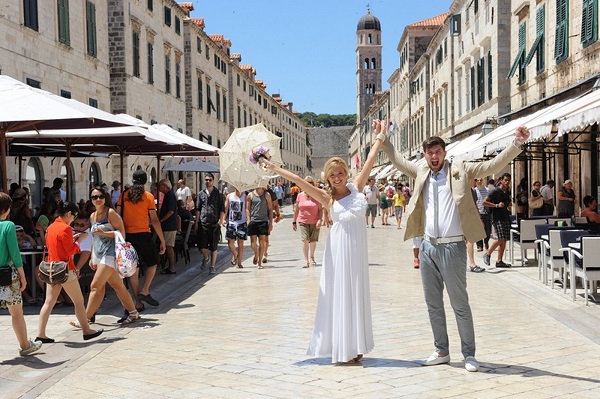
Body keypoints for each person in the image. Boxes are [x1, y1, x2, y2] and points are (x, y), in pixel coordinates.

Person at [376, 118, 530, 372]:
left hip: (453, 246)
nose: (434, 156)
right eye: (429, 153)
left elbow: (493, 164)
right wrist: (383, 138)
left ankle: (469, 354)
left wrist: (516, 143)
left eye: (437, 152)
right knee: (433, 304)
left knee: (460, 303)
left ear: (444, 153)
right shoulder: (421, 172)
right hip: (427, 247)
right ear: (425, 156)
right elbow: (398, 160)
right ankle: (441, 350)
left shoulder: (460, 169)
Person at [262, 124, 384, 365]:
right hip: (338, 253)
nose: (337, 177)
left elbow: (370, 157)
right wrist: (275, 168)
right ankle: (343, 348)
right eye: (332, 175)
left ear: (346, 173)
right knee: (341, 296)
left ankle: (356, 345)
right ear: (327, 177)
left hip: (357, 253)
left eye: (340, 173)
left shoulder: (356, 188)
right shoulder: (326, 198)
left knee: (356, 295)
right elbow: (297, 179)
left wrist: (380, 135)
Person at [36, 202, 103, 343]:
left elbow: (56, 245)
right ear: (68, 214)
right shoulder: (66, 228)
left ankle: (40, 334)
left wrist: (72, 239)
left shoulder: (51, 227)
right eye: (73, 216)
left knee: (48, 302)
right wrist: (79, 241)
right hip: (65, 269)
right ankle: (86, 330)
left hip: (51, 269)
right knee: (79, 301)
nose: (73, 219)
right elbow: (71, 250)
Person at [77, 187, 141, 325]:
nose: (98, 199)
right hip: (100, 254)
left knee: (95, 286)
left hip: (112, 253)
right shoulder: (92, 216)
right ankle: (133, 313)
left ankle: (85, 319)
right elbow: (94, 237)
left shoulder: (110, 213)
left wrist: (104, 233)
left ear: (105, 197)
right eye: (94, 197)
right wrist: (92, 257)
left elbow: (121, 234)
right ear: (91, 199)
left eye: (100, 196)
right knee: (117, 286)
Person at [116, 170, 166, 311]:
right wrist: (162, 240)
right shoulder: (148, 196)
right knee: (153, 262)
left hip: (128, 236)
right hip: (143, 234)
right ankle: (145, 290)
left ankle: (138, 303)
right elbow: (155, 220)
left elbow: (118, 217)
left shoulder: (124, 195)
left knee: (134, 269)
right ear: (145, 181)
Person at [0, 192, 43, 356]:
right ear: (6, 209)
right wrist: (23, 277)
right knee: (16, 312)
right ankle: (25, 345)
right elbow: (15, 254)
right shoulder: (8, 226)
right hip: (6, 275)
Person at [194, 172, 225, 275]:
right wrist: (197, 222)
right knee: (202, 245)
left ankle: (212, 266)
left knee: (214, 246)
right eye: (206, 180)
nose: (208, 181)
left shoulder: (218, 193)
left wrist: (220, 221)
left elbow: (222, 208)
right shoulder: (201, 194)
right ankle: (206, 257)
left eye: (210, 180)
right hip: (203, 222)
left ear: (213, 181)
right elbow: (198, 208)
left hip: (214, 223)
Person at [482, 173, 513, 268]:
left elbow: (506, 202)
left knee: (504, 240)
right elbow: (484, 202)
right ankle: (487, 254)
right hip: (497, 217)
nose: (507, 182)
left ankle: (499, 261)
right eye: (505, 180)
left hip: (505, 216)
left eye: (508, 180)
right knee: (501, 238)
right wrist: (496, 205)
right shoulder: (495, 191)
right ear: (501, 180)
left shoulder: (507, 190)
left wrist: (508, 204)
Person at [293, 176, 323, 268]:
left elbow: (320, 210)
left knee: (313, 241)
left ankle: (312, 257)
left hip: (314, 221)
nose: (308, 186)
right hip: (303, 221)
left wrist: (320, 219)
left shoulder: (317, 195)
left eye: (310, 184)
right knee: (305, 240)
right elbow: (296, 209)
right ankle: (306, 260)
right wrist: (294, 221)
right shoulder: (300, 196)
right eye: (306, 184)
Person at [246, 187, 273, 270]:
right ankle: (256, 254)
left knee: (262, 241)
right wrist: (248, 219)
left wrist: (271, 222)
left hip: (263, 221)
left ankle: (260, 262)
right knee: (253, 243)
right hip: (253, 221)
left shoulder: (266, 195)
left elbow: (270, 208)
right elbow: (247, 208)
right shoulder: (250, 195)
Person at [158, 179, 178, 275]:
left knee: (169, 246)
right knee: (168, 246)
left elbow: (170, 211)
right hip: (168, 225)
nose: (159, 188)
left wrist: (161, 220)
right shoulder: (168, 195)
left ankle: (172, 268)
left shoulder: (170, 195)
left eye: (160, 185)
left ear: (165, 186)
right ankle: (170, 266)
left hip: (169, 226)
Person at [224, 187, 247, 268]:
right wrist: (223, 219)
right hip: (231, 223)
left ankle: (239, 263)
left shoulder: (245, 196)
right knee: (230, 242)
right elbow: (226, 209)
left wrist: (248, 219)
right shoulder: (229, 196)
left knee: (240, 243)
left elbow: (247, 209)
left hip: (242, 222)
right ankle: (235, 254)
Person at [474, 178, 490, 251]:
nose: (479, 181)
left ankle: (486, 241)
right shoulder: (474, 191)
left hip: (486, 212)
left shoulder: (487, 190)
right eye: (478, 180)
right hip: (477, 212)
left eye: (481, 180)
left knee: (488, 230)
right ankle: (479, 246)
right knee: (478, 230)